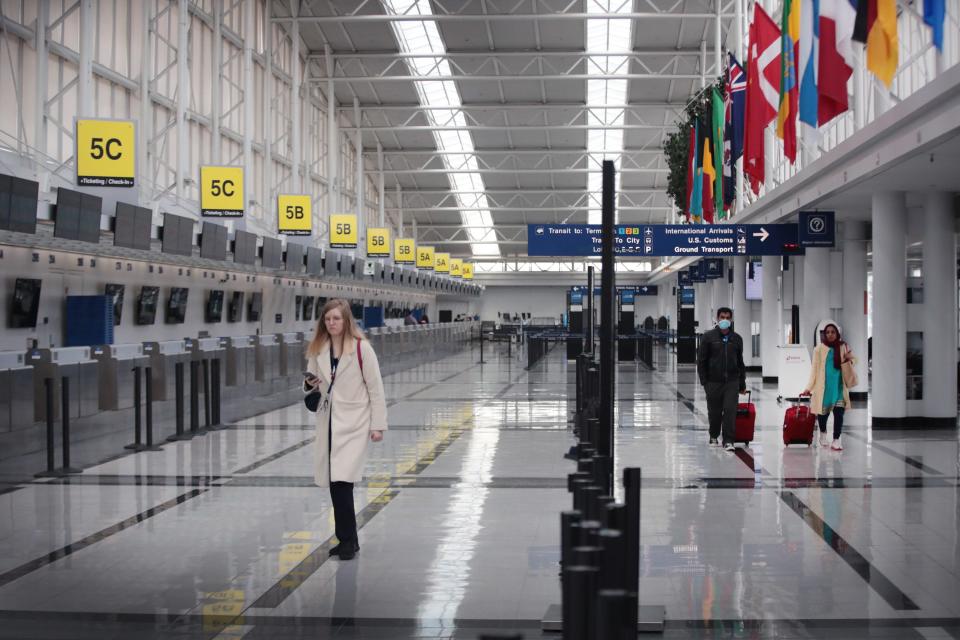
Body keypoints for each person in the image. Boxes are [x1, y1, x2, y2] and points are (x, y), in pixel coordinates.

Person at [304, 299, 387, 560]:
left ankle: (347, 540)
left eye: (336, 319)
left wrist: (378, 425)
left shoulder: (362, 349)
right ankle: (348, 539)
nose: (332, 323)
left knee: (342, 481)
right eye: (328, 319)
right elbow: (310, 384)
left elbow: (376, 389)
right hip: (329, 420)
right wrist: (309, 390)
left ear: (347, 320)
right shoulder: (318, 349)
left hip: (355, 421)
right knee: (333, 481)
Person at [800, 320, 855, 451]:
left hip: (839, 387)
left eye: (833, 332)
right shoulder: (819, 349)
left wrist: (849, 359)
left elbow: (854, 361)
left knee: (839, 414)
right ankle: (823, 433)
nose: (830, 334)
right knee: (823, 415)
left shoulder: (844, 346)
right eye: (828, 332)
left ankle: (836, 440)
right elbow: (814, 370)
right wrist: (809, 387)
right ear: (824, 334)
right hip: (824, 389)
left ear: (837, 333)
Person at [696, 307, 746, 451]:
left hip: (732, 382)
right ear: (717, 319)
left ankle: (729, 440)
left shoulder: (736, 339)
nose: (725, 320)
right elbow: (701, 361)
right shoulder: (708, 337)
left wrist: (742, 383)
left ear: (731, 320)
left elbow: (740, 362)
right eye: (722, 317)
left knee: (730, 410)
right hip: (713, 382)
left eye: (727, 318)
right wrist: (704, 381)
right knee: (715, 412)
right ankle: (713, 435)